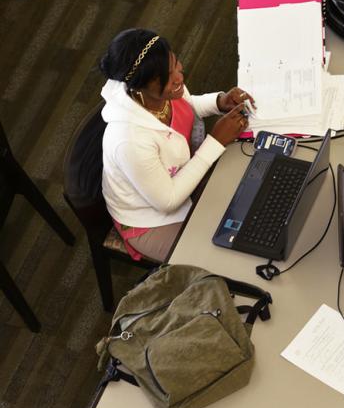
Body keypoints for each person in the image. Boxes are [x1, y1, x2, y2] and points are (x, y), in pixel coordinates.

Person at [99, 28, 254, 262]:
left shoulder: (164, 92)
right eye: (167, 75)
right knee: (224, 257)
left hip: (183, 179)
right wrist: (216, 141)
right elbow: (167, 201)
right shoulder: (128, 141)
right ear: (142, 87)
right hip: (152, 219)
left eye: (175, 63)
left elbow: (187, 107)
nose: (179, 76)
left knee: (247, 207)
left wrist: (219, 101)